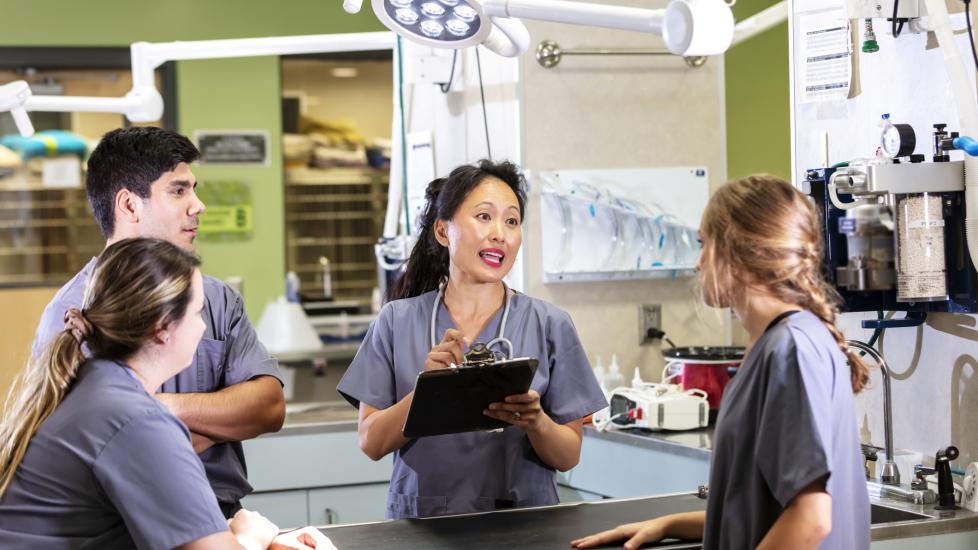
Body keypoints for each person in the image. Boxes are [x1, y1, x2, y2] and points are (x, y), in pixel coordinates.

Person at [571, 175, 871, 550]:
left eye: (704, 244)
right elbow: (756, 510)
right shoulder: (783, 341)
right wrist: (668, 524)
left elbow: (810, 519)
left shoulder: (790, 350)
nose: (699, 263)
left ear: (738, 252)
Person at [0, 238, 333, 550]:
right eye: (197, 312)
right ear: (162, 329)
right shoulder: (136, 419)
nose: (204, 326)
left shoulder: (92, 386)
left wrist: (228, 532)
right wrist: (251, 535)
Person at [30, 127, 284, 518]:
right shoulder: (71, 312)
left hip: (219, 514)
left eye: (193, 189)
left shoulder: (216, 300)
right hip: (116, 526)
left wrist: (161, 409)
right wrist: (209, 421)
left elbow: (268, 407)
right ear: (129, 205)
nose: (198, 205)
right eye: (178, 191)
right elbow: (84, 448)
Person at [336, 160, 607, 519]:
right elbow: (371, 442)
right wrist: (427, 392)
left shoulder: (549, 324)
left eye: (511, 221)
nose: (500, 234)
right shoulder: (396, 322)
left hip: (523, 526)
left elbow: (568, 455)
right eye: (484, 216)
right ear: (443, 231)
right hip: (424, 528)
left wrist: (537, 421)